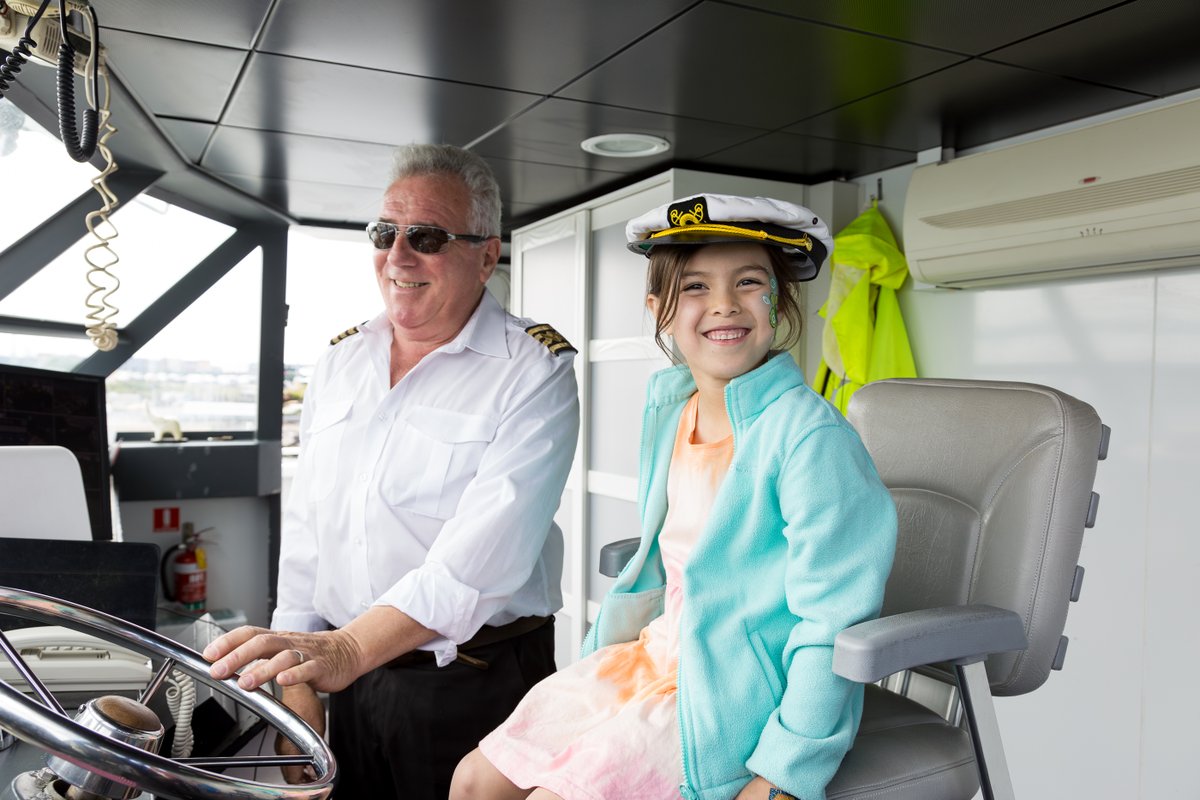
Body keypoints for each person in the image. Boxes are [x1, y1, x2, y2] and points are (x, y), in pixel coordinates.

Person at [451, 193, 897, 800]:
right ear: (658, 309)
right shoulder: (673, 408)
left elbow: (834, 623)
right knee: (474, 781)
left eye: (748, 282)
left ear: (779, 300)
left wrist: (784, 774)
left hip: (729, 694)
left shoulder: (810, 439)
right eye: (694, 287)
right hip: (653, 658)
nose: (723, 305)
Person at [203, 143, 580, 800]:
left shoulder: (534, 369)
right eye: (386, 232)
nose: (399, 255)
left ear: (487, 256)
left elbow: (479, 564)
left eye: (427, 236)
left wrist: (343, 651)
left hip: (475, 677)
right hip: (347, 678)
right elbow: (309, 529)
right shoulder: (340, 362)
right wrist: (297, 680)